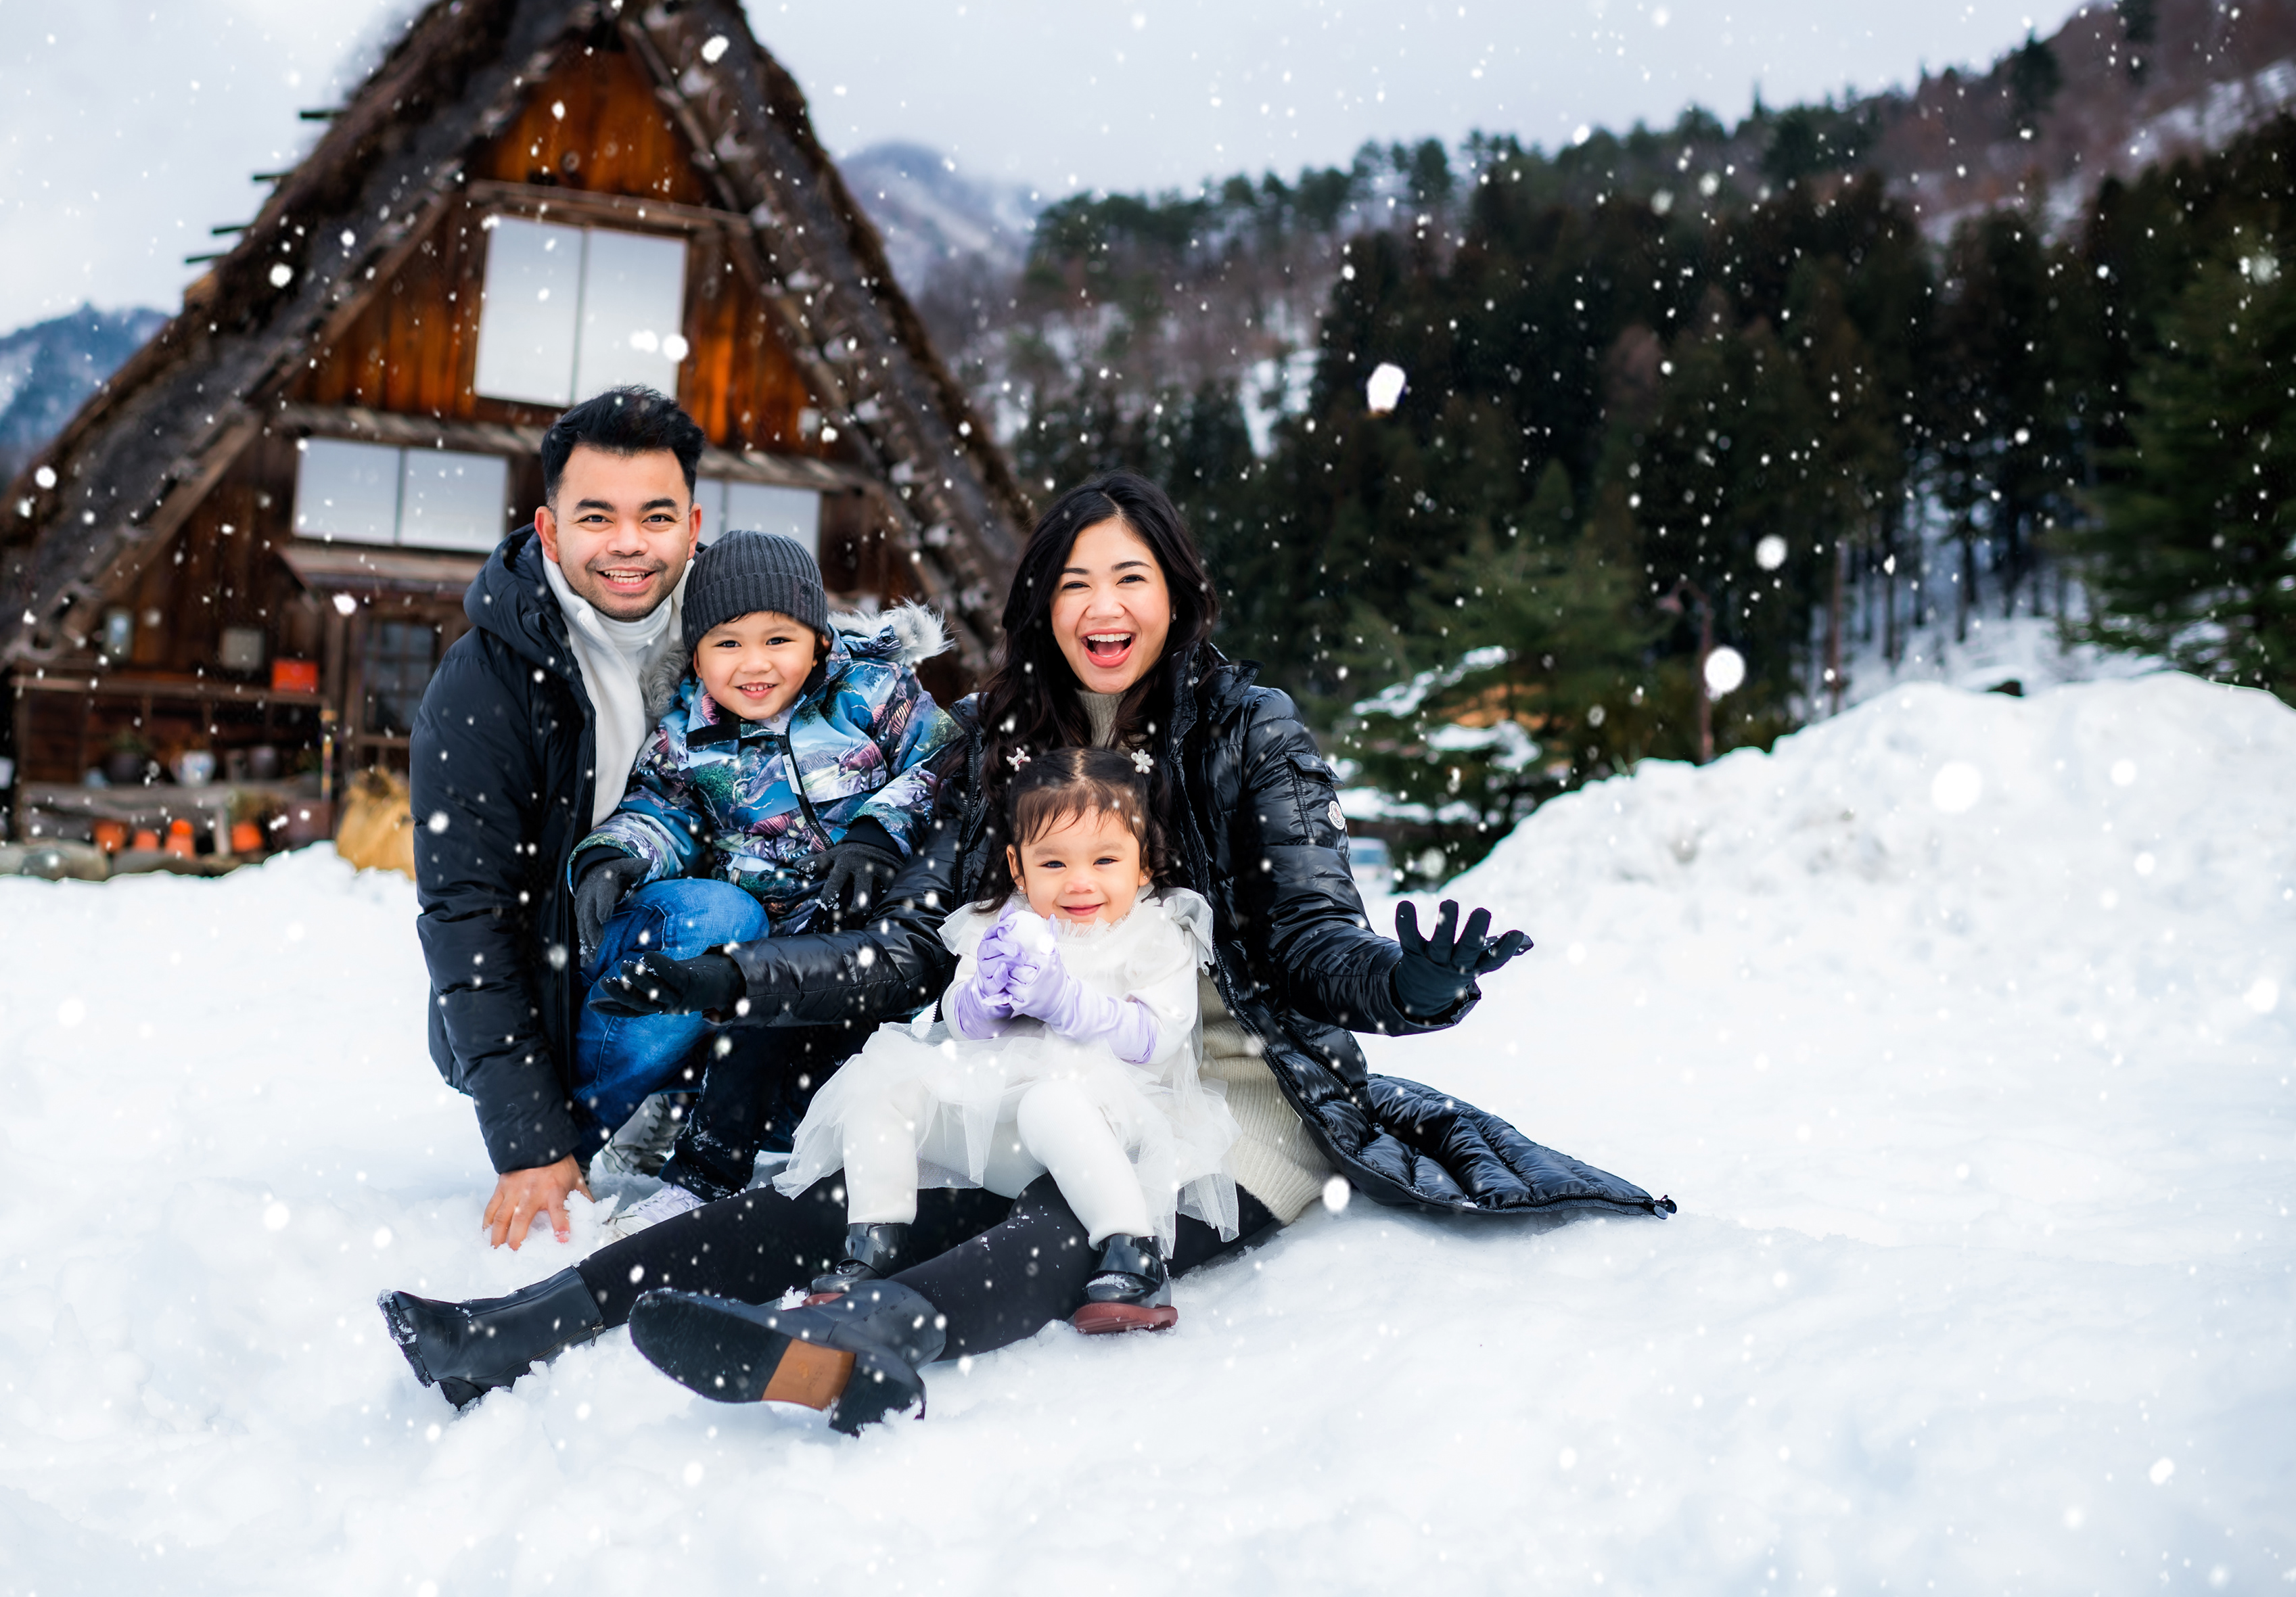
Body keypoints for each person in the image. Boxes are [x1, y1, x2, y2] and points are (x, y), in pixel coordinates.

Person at [383, 471, 1671, 1427]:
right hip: (1036, 1049)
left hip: (1223, 1087)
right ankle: (526, 1326)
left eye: (1131, 579)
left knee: (1083, 1203)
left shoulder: (1249, 730)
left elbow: (1311, 942)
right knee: (847, 1188)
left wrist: (1404, 985)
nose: (1103, 609)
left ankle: (871, 1341)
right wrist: (734, 982)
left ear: (1177, 592)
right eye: (1075, 584)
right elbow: (907, 949)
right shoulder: (1001, 742)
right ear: (1041, 606)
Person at [411, 386, 858, 1255]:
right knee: (714, 915)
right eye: (596, 517)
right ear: (549, 531)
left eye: (654, 516)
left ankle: (714, 1108)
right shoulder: (483, 686)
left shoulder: (746, 626)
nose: (628, 544)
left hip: (748, 986)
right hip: (561, 981)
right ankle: (590, 1129)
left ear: (693, 525)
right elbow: (467, 912)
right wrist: (533, 1139)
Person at [564, 526, 960, 1222]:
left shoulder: (875, 693)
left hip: (873, 931)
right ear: (696, 654)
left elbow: (943, 764)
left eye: (779, 639)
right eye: (728, 644)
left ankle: (854, 1157)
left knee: (858, 1066)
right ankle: (703, 1171)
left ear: (819, 642)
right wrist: (617, 852)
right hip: (769, 946)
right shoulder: (687, 736)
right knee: (756, 1022)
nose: (755, 664)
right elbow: (660, 810)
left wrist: (877, 832)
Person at [778, 747, 1237, 1328]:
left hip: (1106, 1133)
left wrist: (1065, 1003)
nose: (1079, 882)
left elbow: (1157, 1037)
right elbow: (957, 1018)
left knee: (1053, 1102)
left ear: (1143, 863)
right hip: (995, 1132)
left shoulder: (1156, 931)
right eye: (1053, 863)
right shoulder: (1001, 923)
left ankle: (1132, 1248)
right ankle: (877, 1240)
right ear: (1019, 868)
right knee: (882, 1082)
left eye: (1105, 860)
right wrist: (985, 1000)